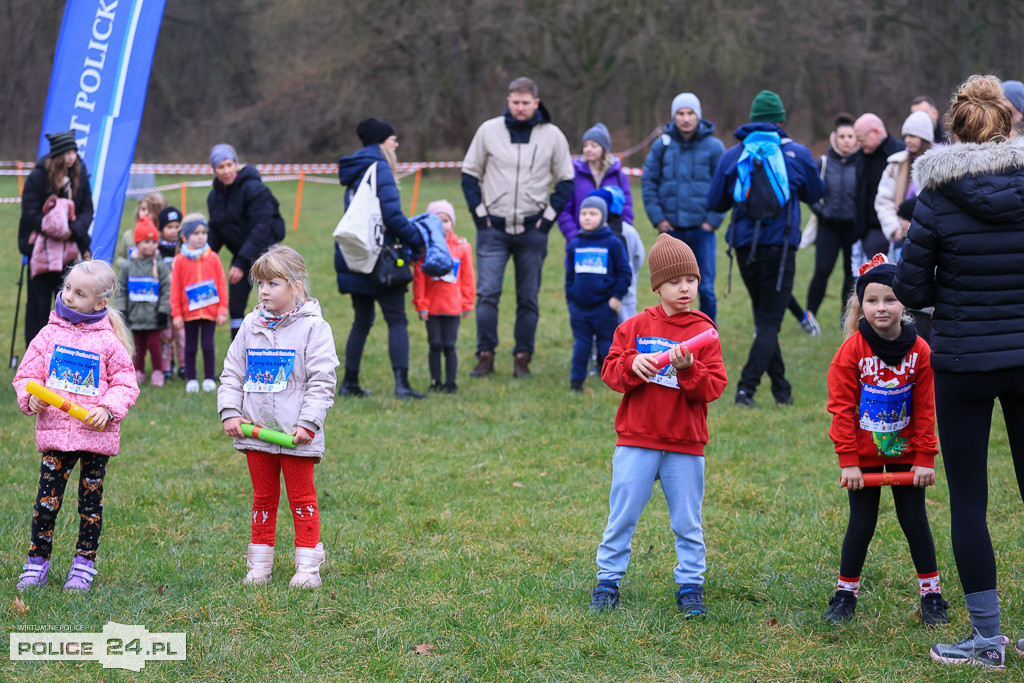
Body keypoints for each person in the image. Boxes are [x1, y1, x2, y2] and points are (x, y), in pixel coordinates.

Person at [893, 74, 1024, 670]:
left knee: (969, 501)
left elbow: (913, 288)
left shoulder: (937, 197)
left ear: (955, 129)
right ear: (1008, 123)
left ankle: (986, 640)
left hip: (964, 360)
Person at [589, 234, 727, 615]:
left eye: (692, 280)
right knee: (622, 516)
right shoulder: (634, 327)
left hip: (685, 443)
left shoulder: (704, 331)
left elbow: (713, 387)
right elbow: (610, 371)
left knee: (687, 521)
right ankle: (608, 581)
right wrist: (631, 364)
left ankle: (690, 586)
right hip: (637, 440)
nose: (685, 288)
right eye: (675, 281)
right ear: (657, 286)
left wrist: (689, 369)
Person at [823, 256, 947, 626]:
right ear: (861, 305)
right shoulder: (851, 352)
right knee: (861, 523)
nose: (881, 308)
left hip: (907, 454)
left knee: (915, 521)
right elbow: (841, 409)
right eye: (872, 300)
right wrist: (849, 462)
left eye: (890, 300)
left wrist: (925, 458)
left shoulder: (920, 351)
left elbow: (925, 408)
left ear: (904, 303)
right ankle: (845, 595)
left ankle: (932, 596)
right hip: (863, 458)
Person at [12, 260, 140, 591]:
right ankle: (36, 562)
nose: (68, 296)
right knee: (46, 503)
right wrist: (31, 398)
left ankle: (84, 564)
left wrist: (108, 409)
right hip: (56, 436)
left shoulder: (108, 342)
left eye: (80, 293)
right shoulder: (48, 334)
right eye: (67, 287)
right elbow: (26, 376)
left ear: (100, 302)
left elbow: (125, 383)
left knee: (90, 506)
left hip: (95, 436)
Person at [219, 245, 338, 589]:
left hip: (296, 434)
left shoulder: (314, 328)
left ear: (296, 286)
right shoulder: (250, 325)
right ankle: (260, 565)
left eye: (273, 283)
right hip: (256, 432)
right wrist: (231, 412)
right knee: (263, 499)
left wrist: (308, 423)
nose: (264, 291)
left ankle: (308, 565)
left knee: (302, 499)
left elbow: (322, 380)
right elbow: (232, 372)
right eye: (261, 284)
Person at [706, 90, 824, 407]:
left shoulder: (733, 155)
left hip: (744, 249)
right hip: (781, 250)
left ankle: (782, 391)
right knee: (769, 323)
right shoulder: (797, 154)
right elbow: (816, 193)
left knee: (764, 319)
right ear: (780, 122)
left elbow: (714, 202)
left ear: (752, 121)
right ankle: (746, 389)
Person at [461, 77, 574, 378]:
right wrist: (480, 217)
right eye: (515, 102)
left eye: (526, 103)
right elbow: (469, 174)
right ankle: (485, 355)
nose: (520, 108)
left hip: (532, 230)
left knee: (528, 298)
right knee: (487, 294)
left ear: (536, 103)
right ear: (508, 101)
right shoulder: (488, 131)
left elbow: (566, 180)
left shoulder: (552, 135)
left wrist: (546, 221)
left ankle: (522, 357)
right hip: (493, 229)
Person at [336, 118, 427, 399]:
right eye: (393, 139)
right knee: (397, 320)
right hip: (383, 258)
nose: (396, 145)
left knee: (361, 321)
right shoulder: (381, 168)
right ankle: (402, 384)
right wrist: (417, 240)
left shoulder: (354, 168)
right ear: (381, 142)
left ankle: (350, 383)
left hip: (355, 255)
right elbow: (393, 217)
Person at [642, 92, 726, 322]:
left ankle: (708, 335)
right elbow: (648, 183)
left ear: (698, 116)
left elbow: (724, 185)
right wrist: (659, 219)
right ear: (674, 116)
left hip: (703, 231)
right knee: (669, 288)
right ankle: (671, 333)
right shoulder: (661, 146)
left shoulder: (714, 147)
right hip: (671, 232)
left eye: (690, 113)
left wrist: (712, 221)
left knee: (706, 288)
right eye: (680, 113)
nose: (686, 118)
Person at [18, 130, 94, 346]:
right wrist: (52, 227)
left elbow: (87, 209)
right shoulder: (39, 176)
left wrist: (73, 230)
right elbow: (30, 211)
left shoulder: (80, 172)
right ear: (58, 154)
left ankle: (65, 353)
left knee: (69, 307)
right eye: (67, 153)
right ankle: (36, 353)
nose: (72, 157)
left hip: (70, 252)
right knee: (38, 310)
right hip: (41, 253)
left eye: (74, 152)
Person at [206, 144, 286, 339]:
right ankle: (238, 351)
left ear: (236, 164)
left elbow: (261, 228)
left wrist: (241, 262)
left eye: (229, 165)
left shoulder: (254, 189)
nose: (226, 171)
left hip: (267, 253)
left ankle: (279, 346)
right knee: (235, 306)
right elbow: (216, 230)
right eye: (220, 167)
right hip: (241, 253)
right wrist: (203, 254)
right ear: (214, 170)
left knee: (274, 302)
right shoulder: (214, 197)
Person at [564, 195, 631, 392]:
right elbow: (569, 276)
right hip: (580, 308)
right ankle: (576, 382)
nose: (587, 217)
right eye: (583, 213)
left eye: (593, 213)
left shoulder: (613, 242)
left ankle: (614, 381)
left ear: (603, 217)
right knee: (581, 346)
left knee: (607, 344)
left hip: (605, 305)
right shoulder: (575, 243)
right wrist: (571, 300)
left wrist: (616, 297)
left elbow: (624, 272)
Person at [412, 200, 475, 394]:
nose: (443, 225)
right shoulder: (427, 249)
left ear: (452, 223)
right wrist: (421, 304)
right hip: (432, 308)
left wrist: (467, 302)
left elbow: (468, 277)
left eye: (446, 221)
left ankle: (451, 382)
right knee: (435, 344)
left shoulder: (462, 248)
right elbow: (420, 278)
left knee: (449, 345)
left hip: (453, 308)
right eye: (437, 221)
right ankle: (435, 381)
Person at [805, 114, 861, 326]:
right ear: (834, 138)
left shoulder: (861, 163)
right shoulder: (824, 163)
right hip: (828, 228)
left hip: (853, 228)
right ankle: (809, 316)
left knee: (851, 274)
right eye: (842, 136)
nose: (846, 140)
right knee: (822, 270)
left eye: (850, 136)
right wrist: (822, 212)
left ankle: (846, 318)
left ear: (856, 139)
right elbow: (810, 193)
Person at [170, 214, 228, 393]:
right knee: (190, 346)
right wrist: (176, 314)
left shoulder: (214, 258)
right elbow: (175, 288)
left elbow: (221, 284)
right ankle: (192, 378)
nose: (201, 237)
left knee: (208, 345)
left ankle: (209, 377)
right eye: (196, 233)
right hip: (189, 313)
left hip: (210, 312)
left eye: (203, 232)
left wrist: (222, 309)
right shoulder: (179, 260)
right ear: (186, 236)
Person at [114, 218, 171, 387]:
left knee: (154, 344)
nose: (151, 245)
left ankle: (158, 372)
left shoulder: (160, 266)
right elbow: (121, 289)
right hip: (135, 316)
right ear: (137, 243)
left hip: (154, 316)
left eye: (154, 242)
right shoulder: (128, 266)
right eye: (146, 242)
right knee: (137, 346)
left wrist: (163, 310)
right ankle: (138, 372)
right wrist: (122, 310)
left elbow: (167, 290)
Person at [557, 122, 634, 243]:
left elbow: (626, 208)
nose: (588, 149)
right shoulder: (573, 175)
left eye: (594, 146)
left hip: (612, 241)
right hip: (580, 239)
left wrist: (620, 236)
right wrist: (574, 237)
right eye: (585, 145)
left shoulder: (619, 176)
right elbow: (564, 210)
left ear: (604, 148)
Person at [875, 111, 934, 253]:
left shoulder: (936, 166)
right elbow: (883, 201)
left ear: (924, 138)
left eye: (912, 136)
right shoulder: (896, 164)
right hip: (898, 236)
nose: (907, 140)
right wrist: (895, 229)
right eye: (905, 136)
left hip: (927, 237)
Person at [852, 114, 905, 261]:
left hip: (898, 229)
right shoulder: (860, 157)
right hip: (871, 231)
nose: (859, 144)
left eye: (861, 138)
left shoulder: (900, 154)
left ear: (876, 132)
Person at [588, 186, 645, 322]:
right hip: (602, 295)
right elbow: (639, 257)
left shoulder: (626, 232)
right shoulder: (593, 232)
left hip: (623, 294)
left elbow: (638, 257)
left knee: (626, 328)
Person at [157, 206, 185, 380]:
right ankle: (166, 366)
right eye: (169, 227)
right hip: (163, 299)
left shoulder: (185, 248)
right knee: (165, 335)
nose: (174, 231)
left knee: (181, 334)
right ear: (161, 229)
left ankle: (184, 365)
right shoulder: (156, 249)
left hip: (181, 299)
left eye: (177, 227)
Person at [115, 192, 167, 272]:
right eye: (143, 209)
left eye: (151, 210)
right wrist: (129, 265)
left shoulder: (164, 237)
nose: (146, 213)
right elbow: (119, 258)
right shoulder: (129, 235)